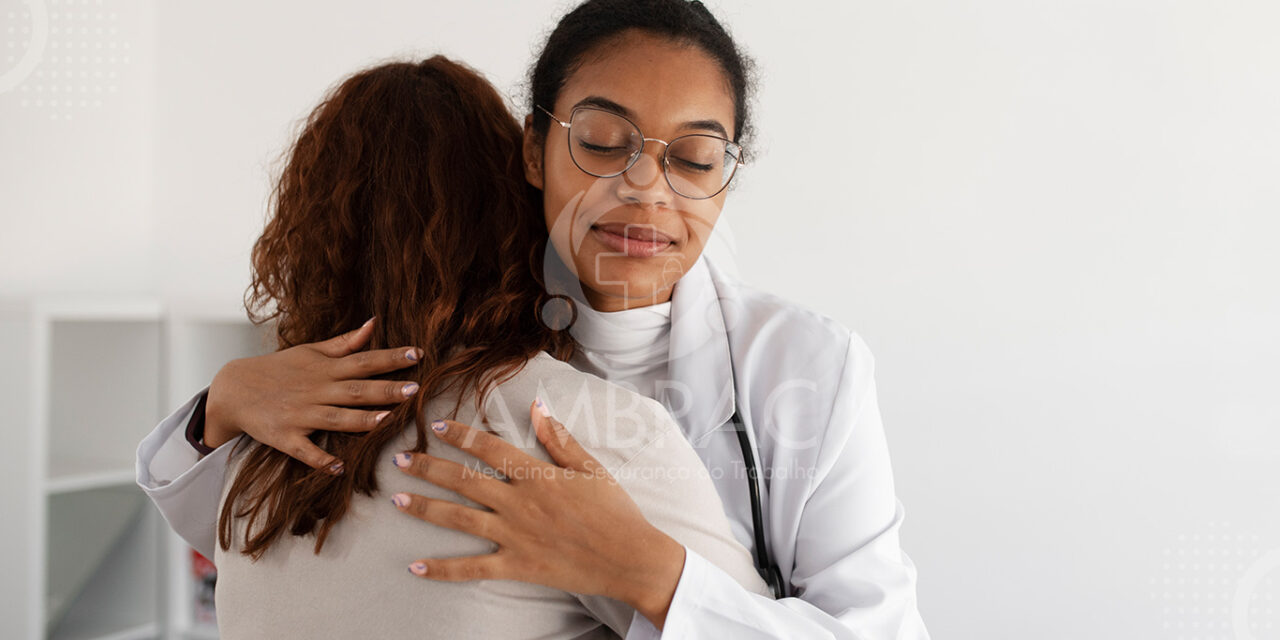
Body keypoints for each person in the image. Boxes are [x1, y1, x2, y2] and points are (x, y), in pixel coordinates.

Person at [137, 1, 931, 638]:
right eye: (601, 141)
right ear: (531, 149)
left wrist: (644, 572)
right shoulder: (438, 364)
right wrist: (223, 407)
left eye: (694, 159)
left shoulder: (804, 366)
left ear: (727, 179)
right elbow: (251, 536)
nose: (646, 188)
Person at [186, 55, 771, 639]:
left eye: (693, 160)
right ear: (520, 204)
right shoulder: (587, 435)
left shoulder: (252, 459)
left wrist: (224, 401)